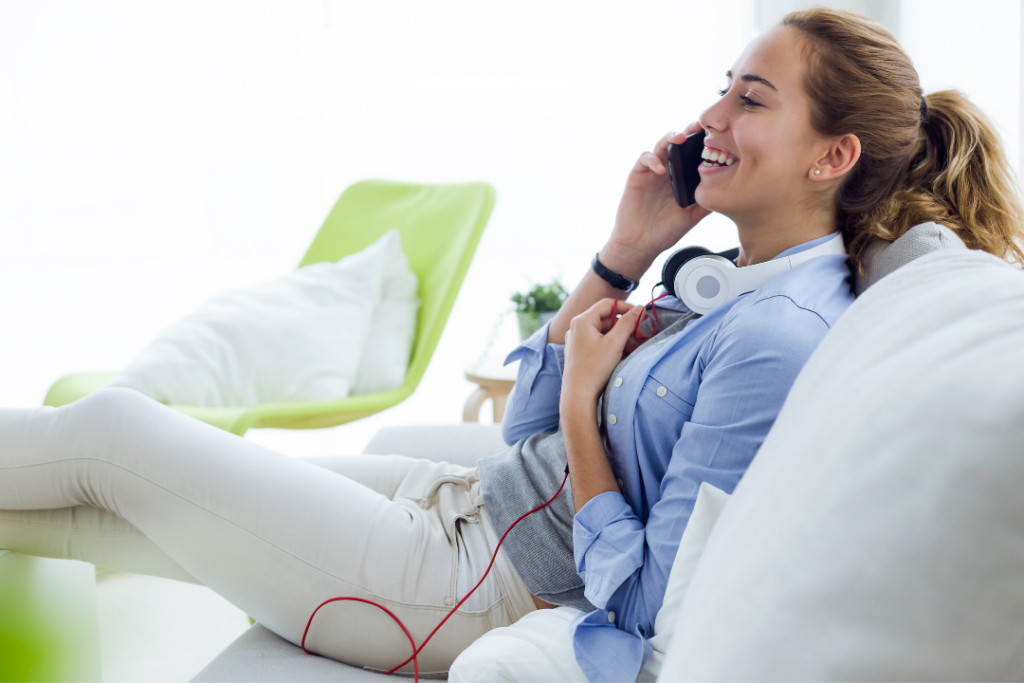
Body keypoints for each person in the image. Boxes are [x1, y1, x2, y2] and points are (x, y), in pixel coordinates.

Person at [2, 7, 1022, 683]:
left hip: (468, 582)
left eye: (751, 100)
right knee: (98, 517)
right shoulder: (727, 283)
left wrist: (587, 410)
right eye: (722, 86)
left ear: (831, 156)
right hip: (464, 508)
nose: (708, 117)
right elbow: (523, 426)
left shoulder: (777, 337)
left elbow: (646, 595)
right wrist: (624, 253)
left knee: (115, 436)